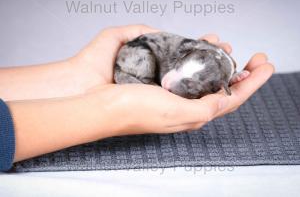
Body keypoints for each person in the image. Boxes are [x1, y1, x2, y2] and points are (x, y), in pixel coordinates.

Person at [0, 24, 274, 171]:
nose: (168, 82)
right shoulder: (169, 56)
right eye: (177, 69)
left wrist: (76, 75)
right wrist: (114, 110)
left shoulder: (212, 63)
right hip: (138, 58)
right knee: (147, 67)